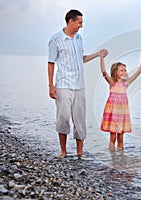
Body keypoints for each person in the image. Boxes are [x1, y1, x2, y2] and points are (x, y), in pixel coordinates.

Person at [48, 9, 100, 159]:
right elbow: (51, 63)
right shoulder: (55, 40)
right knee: (63, 118)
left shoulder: (79, 39)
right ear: (71, 21)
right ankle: (63, 151)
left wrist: (97, 54)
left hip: (79, 86)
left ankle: (79, 153)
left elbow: (80, 58)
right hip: (63, 85)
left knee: (80, 119)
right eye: (79, 22)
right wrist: (51, 86)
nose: (81, 26)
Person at [99, 49, 141, 151]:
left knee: (120, 137)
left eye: (125, 70)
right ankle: (112, 156)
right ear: (115, 72)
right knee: (113, 136)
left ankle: (120, 158)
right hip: (113, 112)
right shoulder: (112, 83)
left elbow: (137, 73)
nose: (124, 72)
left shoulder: (126, 83)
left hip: (122, 113)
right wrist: (101, 58)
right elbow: (103, 71)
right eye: (121, 70)